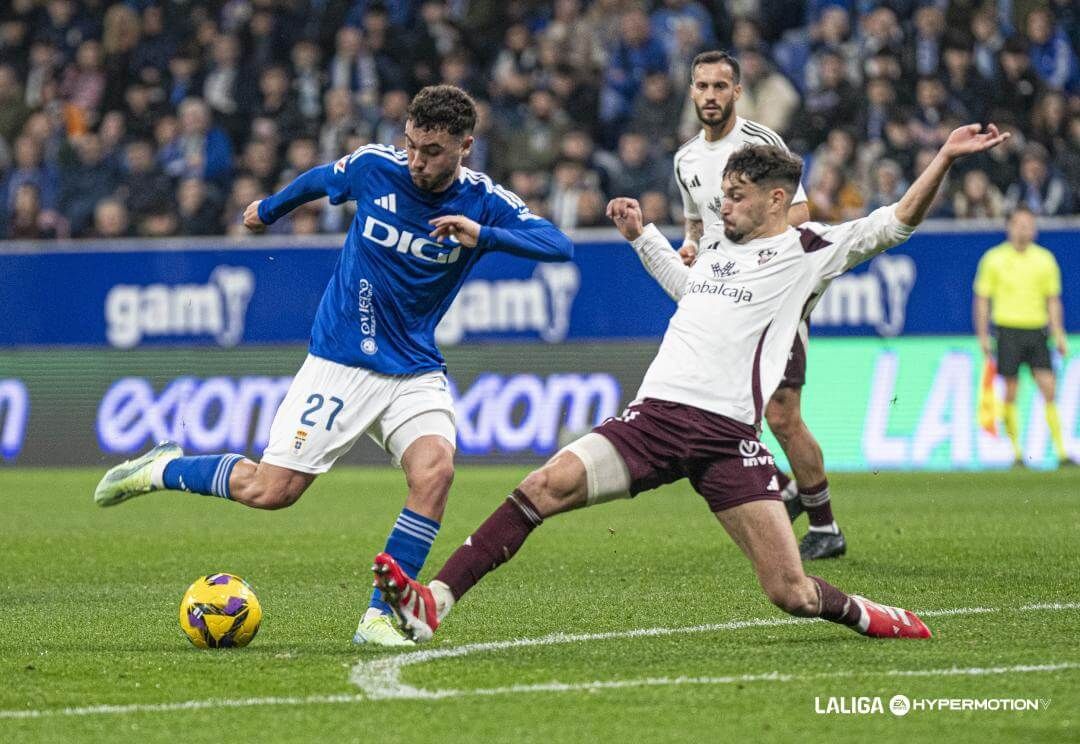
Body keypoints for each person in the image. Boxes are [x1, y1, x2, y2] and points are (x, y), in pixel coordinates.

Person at [373, 122, 1010, 644]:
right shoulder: (713, 254)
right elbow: (692, 297)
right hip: (652, 421)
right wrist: (643, 238)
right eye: (722, 192)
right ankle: (434, 603)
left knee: (791, 593)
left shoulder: (809, 249)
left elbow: (895, 221)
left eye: (734, 195)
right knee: (543, 486)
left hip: (727, 436)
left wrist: (946, 157)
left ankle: (872, 616)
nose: (721, 203)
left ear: (773, 199)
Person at [92, 85, 574, 646]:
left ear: (465, 146)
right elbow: (322, 178)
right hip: (341, 359)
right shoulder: (376, 167)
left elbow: (558, 244)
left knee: (435, 472)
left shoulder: (482, 202)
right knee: (272, 491)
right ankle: (162, 467)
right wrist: (267, 210)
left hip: (414, 366)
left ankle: (377, 617)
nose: (418, 160)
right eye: (413, 145)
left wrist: (483, 236)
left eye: (434, 151)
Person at [672, 50, 842, 560]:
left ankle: (826, 526)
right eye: (701, 86)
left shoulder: (760, 144)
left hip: (769, 296)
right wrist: (690, 248)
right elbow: (697, 225)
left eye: (720, 87)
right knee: (720, 408)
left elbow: (800, 211)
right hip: (719, 299)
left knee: (783, 414)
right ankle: (787, 491)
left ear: (737, 92)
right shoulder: (685, 160)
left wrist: (755, 261)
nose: (710, 96)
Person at [974, 207, 1074, 467]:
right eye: (1020, 224)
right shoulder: (993, 259)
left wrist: (1059, 333)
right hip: (1007, 330)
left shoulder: (1045, 259)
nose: (1025, 229)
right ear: (1009, 227)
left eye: (1030, 224)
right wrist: (983, 335)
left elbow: (1053, 300)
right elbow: (983, 300)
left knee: (1049, 388)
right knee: (1010, 392)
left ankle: (1062, 452)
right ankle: (1017, 453)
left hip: (1036, 330)